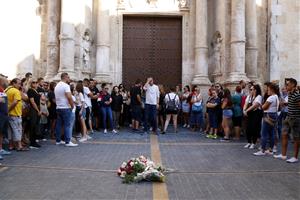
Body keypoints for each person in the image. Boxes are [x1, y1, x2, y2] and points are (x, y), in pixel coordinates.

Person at [274, 78, 300, 163]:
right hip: (288, 117)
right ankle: (283, 155)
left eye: (288, 84)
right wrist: (285, 103)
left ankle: (295, 157)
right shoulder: (290, 93)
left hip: (295, 118)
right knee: (284, 134)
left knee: (296, 138)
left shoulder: (297, 95)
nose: (286, 86)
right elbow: (291, 103)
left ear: (293, 85)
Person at [254, 83, 279, 156]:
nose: (267, 90)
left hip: (268, 115)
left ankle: (262, 150)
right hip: (274, 114)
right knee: (271, 133)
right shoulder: (276, 96)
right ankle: (270, 150)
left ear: (272, 89)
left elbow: (263, 107)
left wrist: (261, 105)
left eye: (268, 89)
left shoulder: (271, 97)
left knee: (264, 133)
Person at [54, 73, 78, 147]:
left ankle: (58, 140)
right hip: (65, 107)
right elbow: (69, 97)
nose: (69, 79)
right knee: (67, 125)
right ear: (65, 77)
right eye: (68, 77)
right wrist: (72, 106)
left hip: (58, 107)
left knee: (59, 125)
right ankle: (68, 141)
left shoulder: (57, 86)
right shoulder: (66, 86)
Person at [5, 78, 27, 151]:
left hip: (9, 114)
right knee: (17, 130)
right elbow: (15, 102)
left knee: (10, 131)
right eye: (18, 83)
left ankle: (11, 146)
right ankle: (19, 146)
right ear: (13, 83)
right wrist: (8, 110)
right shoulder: (16, 91)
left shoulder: (6, 90)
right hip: (15, 113)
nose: (19, 85)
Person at [243, 84, 263, 149]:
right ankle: (249, 142)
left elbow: (255, 105)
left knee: (254, 128)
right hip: (249, 113)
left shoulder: (259, 97)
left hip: (256, 114)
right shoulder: (249, 96)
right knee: (248, 128)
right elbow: (246, 104)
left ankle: (253, 143)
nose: (250, 90)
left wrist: (246, 111)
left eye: (251, 89)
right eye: (250, 89)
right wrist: (244, 110)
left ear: (255, 90)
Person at [0, 75, 11, 160]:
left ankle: (0, 149)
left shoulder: (3, 90)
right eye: (6, 81)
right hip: (1, 115)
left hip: (4, 115)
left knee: (1, 133)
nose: (7, 83)